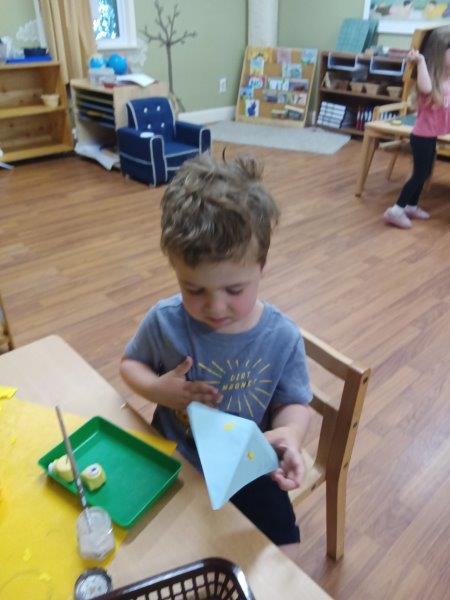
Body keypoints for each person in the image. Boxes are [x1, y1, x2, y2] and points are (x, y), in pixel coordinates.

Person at [120, 153, 312, 562]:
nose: (215, 306)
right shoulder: (166, 321)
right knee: (146, 550)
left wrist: (290, 435)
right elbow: (130, 365)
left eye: (234, 290)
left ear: (262, 267)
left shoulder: (281, 336)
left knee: (283, 553)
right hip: (174, 456)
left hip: (246, 465)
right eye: (194, 289)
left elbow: (294, 401)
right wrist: (157, 389)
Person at [383, 26, 450, 229]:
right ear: (439, 54)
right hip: (421, 136)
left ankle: (411, 206)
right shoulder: (428, 79)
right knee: (419, 174)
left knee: (426, 172)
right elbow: (426, 88)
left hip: (432, 136)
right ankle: (396, 210)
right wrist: (420, 61)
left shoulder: (446, 78)